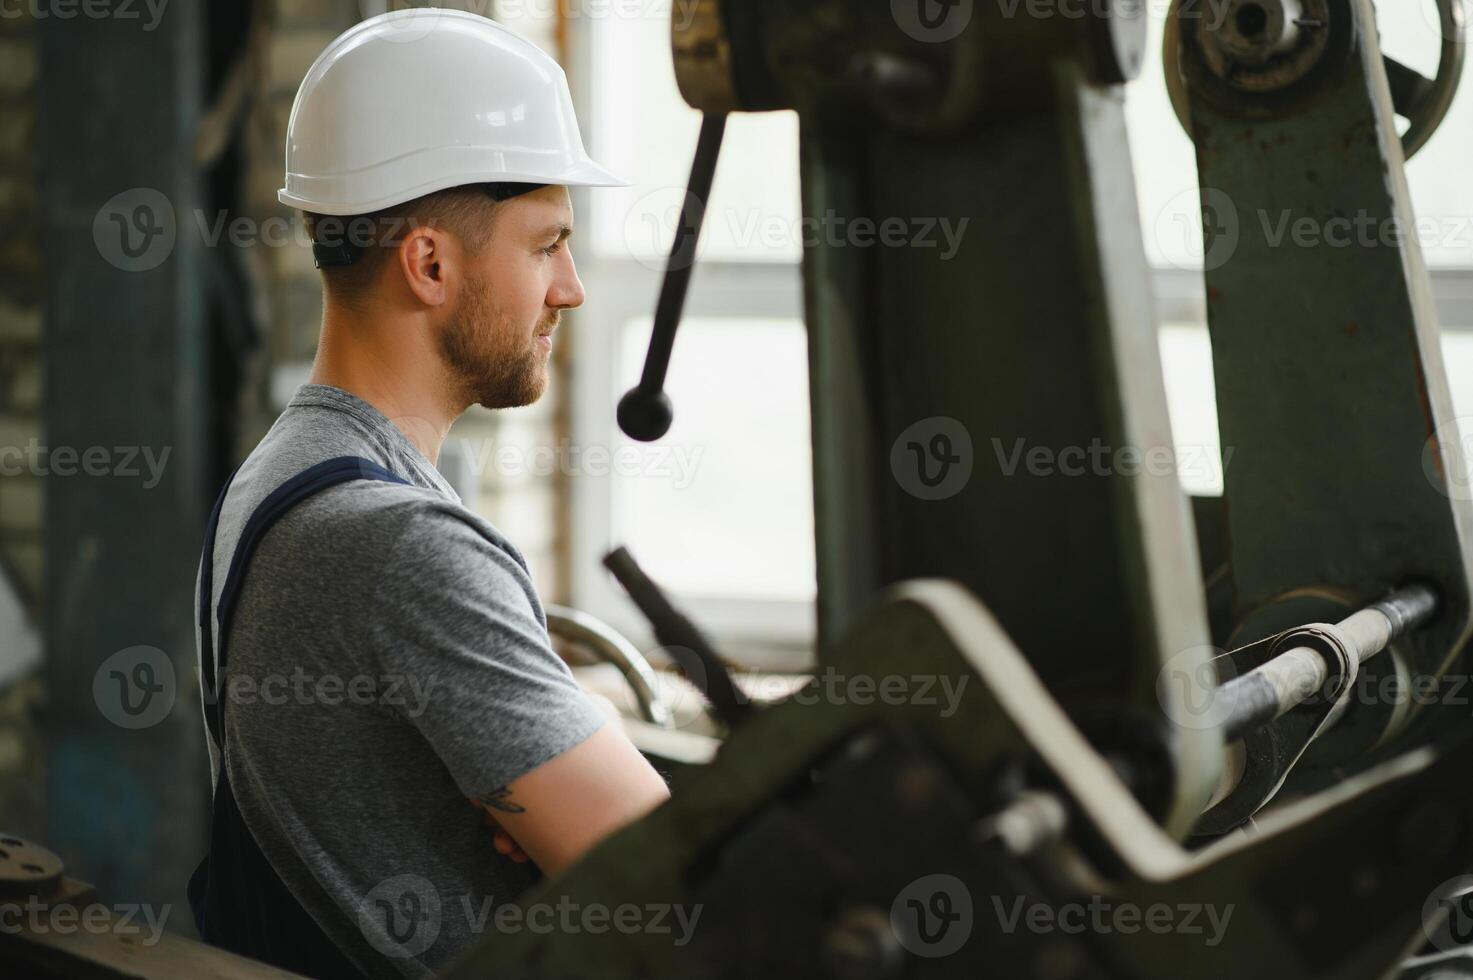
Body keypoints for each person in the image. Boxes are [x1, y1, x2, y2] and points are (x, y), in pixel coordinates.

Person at [188, 11, 670, 978]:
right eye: (546, 245)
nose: (569, 288)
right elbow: (675, 884)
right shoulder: (399, 542)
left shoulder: (282, 469)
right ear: (431, 263)